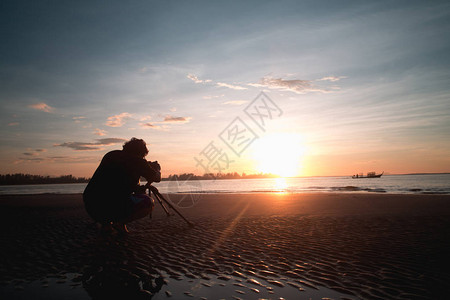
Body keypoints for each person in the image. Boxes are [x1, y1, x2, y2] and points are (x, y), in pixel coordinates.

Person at [83, 138, 161, 233]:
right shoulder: (138, 161)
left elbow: (118, 181)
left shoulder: (111, 154)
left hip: (91, 204)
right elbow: (157, 178)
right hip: (113, 205)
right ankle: (120, 223)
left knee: (112, 194)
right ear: (141, 153)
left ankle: (106, 225)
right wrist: (156, 169)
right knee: (148, 202)